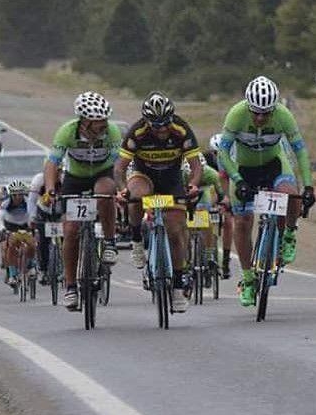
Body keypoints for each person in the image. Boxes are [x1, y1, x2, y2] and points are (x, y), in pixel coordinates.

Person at [217, 76, 316, 307]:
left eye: (266, 113)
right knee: (242, 222)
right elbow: (223, 152)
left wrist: (309, 186)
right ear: (248, 106)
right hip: (243, 169)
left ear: (274, 108)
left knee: (291, 194)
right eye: (256, 113)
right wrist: (237, 180)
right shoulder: (236, 114)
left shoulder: (284, 116)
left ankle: (289, 234)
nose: (260, 118)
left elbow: (300, 151)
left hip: (274, 165)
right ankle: (248, 279)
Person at [114, 92, 202, 314]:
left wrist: (193, 184)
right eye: (156, 125)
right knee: (135, 194)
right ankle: (136, 239)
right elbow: (119, 168)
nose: (162, 130)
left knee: (176, 231)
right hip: (144, 176)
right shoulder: (137, 132)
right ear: (147, 122)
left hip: (172, 179)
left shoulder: (181, 129)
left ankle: (178, 286)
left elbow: (196, 166)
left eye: (165, 124)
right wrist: (122, 189)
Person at [45, 91, 122, 311]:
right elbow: (52, 163)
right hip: (75, 179)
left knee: (105, 192)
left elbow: (119, 165)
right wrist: (50, 189)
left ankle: (109, 242)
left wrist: (121, 189)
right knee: (70, 231)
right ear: (85, 122)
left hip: (102, 174)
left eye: (105, 119)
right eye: (99, 121)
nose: (104, 124)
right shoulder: (67, 132)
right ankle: (71, 287)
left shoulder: (112, 132)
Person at [0, 180, 36, 290]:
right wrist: (3, 229)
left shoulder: (28, 202)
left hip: (25, 225)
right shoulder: (6, 204)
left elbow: (33, 214)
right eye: (15, 195)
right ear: (11, 195)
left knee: (32, 244)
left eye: (20, 194)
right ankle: (12, 274)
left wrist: (33, 226)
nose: (18, 197)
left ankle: (31, 264)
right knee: (10, 247)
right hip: (11, 227)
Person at [27, 171, 61, 286]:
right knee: (43, 241)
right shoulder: (38, 180)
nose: (57, 174)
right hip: (43, 211)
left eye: (59, 172)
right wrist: (32, 218)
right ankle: (43, 269)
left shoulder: (65, 179)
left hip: (60, 211)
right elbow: (31, 201)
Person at [208, 135, 234, 279]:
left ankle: (225, 260)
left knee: (228, 222)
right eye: (216, 153)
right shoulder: (206, 161)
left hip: (225, 193)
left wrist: (228, 201)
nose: (219, 156)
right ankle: (206, 253)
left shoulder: (231, 161)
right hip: (209, 192)